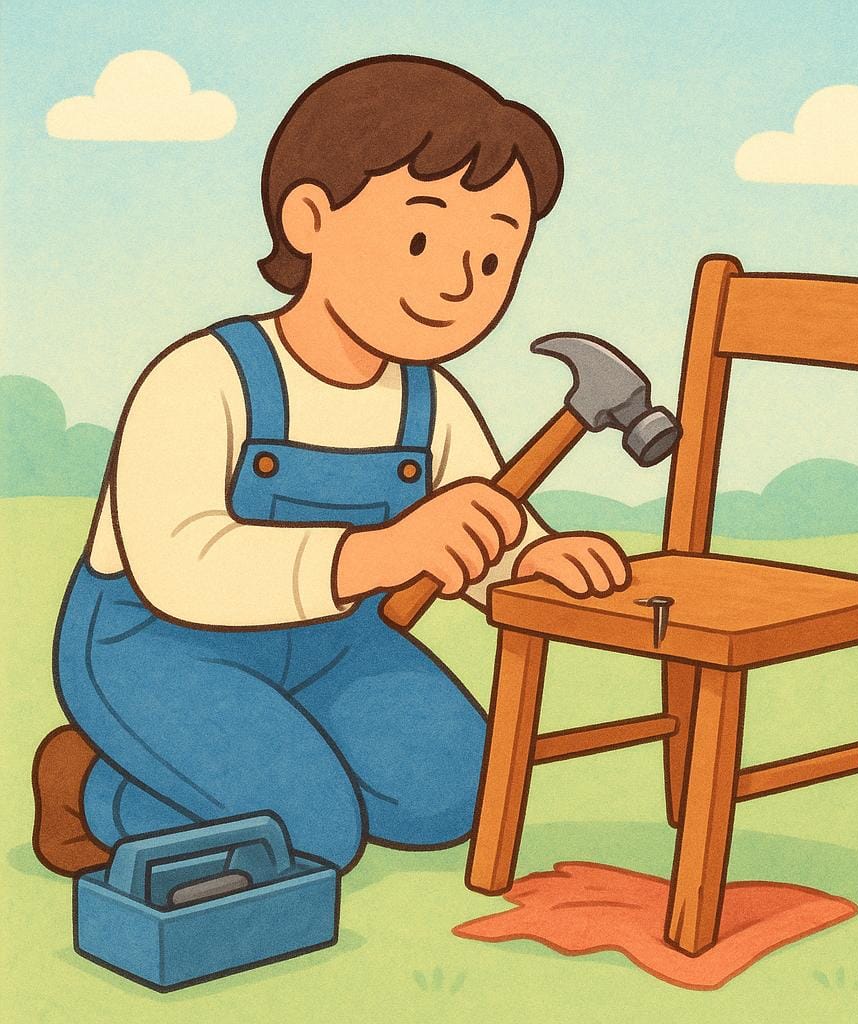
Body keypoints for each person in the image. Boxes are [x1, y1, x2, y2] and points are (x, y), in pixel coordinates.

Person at [32, 55, 631, 876]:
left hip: (335, 644)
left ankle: (251, 761)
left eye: (494, 259)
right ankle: (89, 786)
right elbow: (180, 567)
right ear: (310, 219)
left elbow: (476, 519)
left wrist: (530, 556)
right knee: (312, 832)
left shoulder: (430, 401)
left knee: (459, 792)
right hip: (157, 645)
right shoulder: (205, 376)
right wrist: (381, 553)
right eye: (419, 240)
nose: (460, 283)